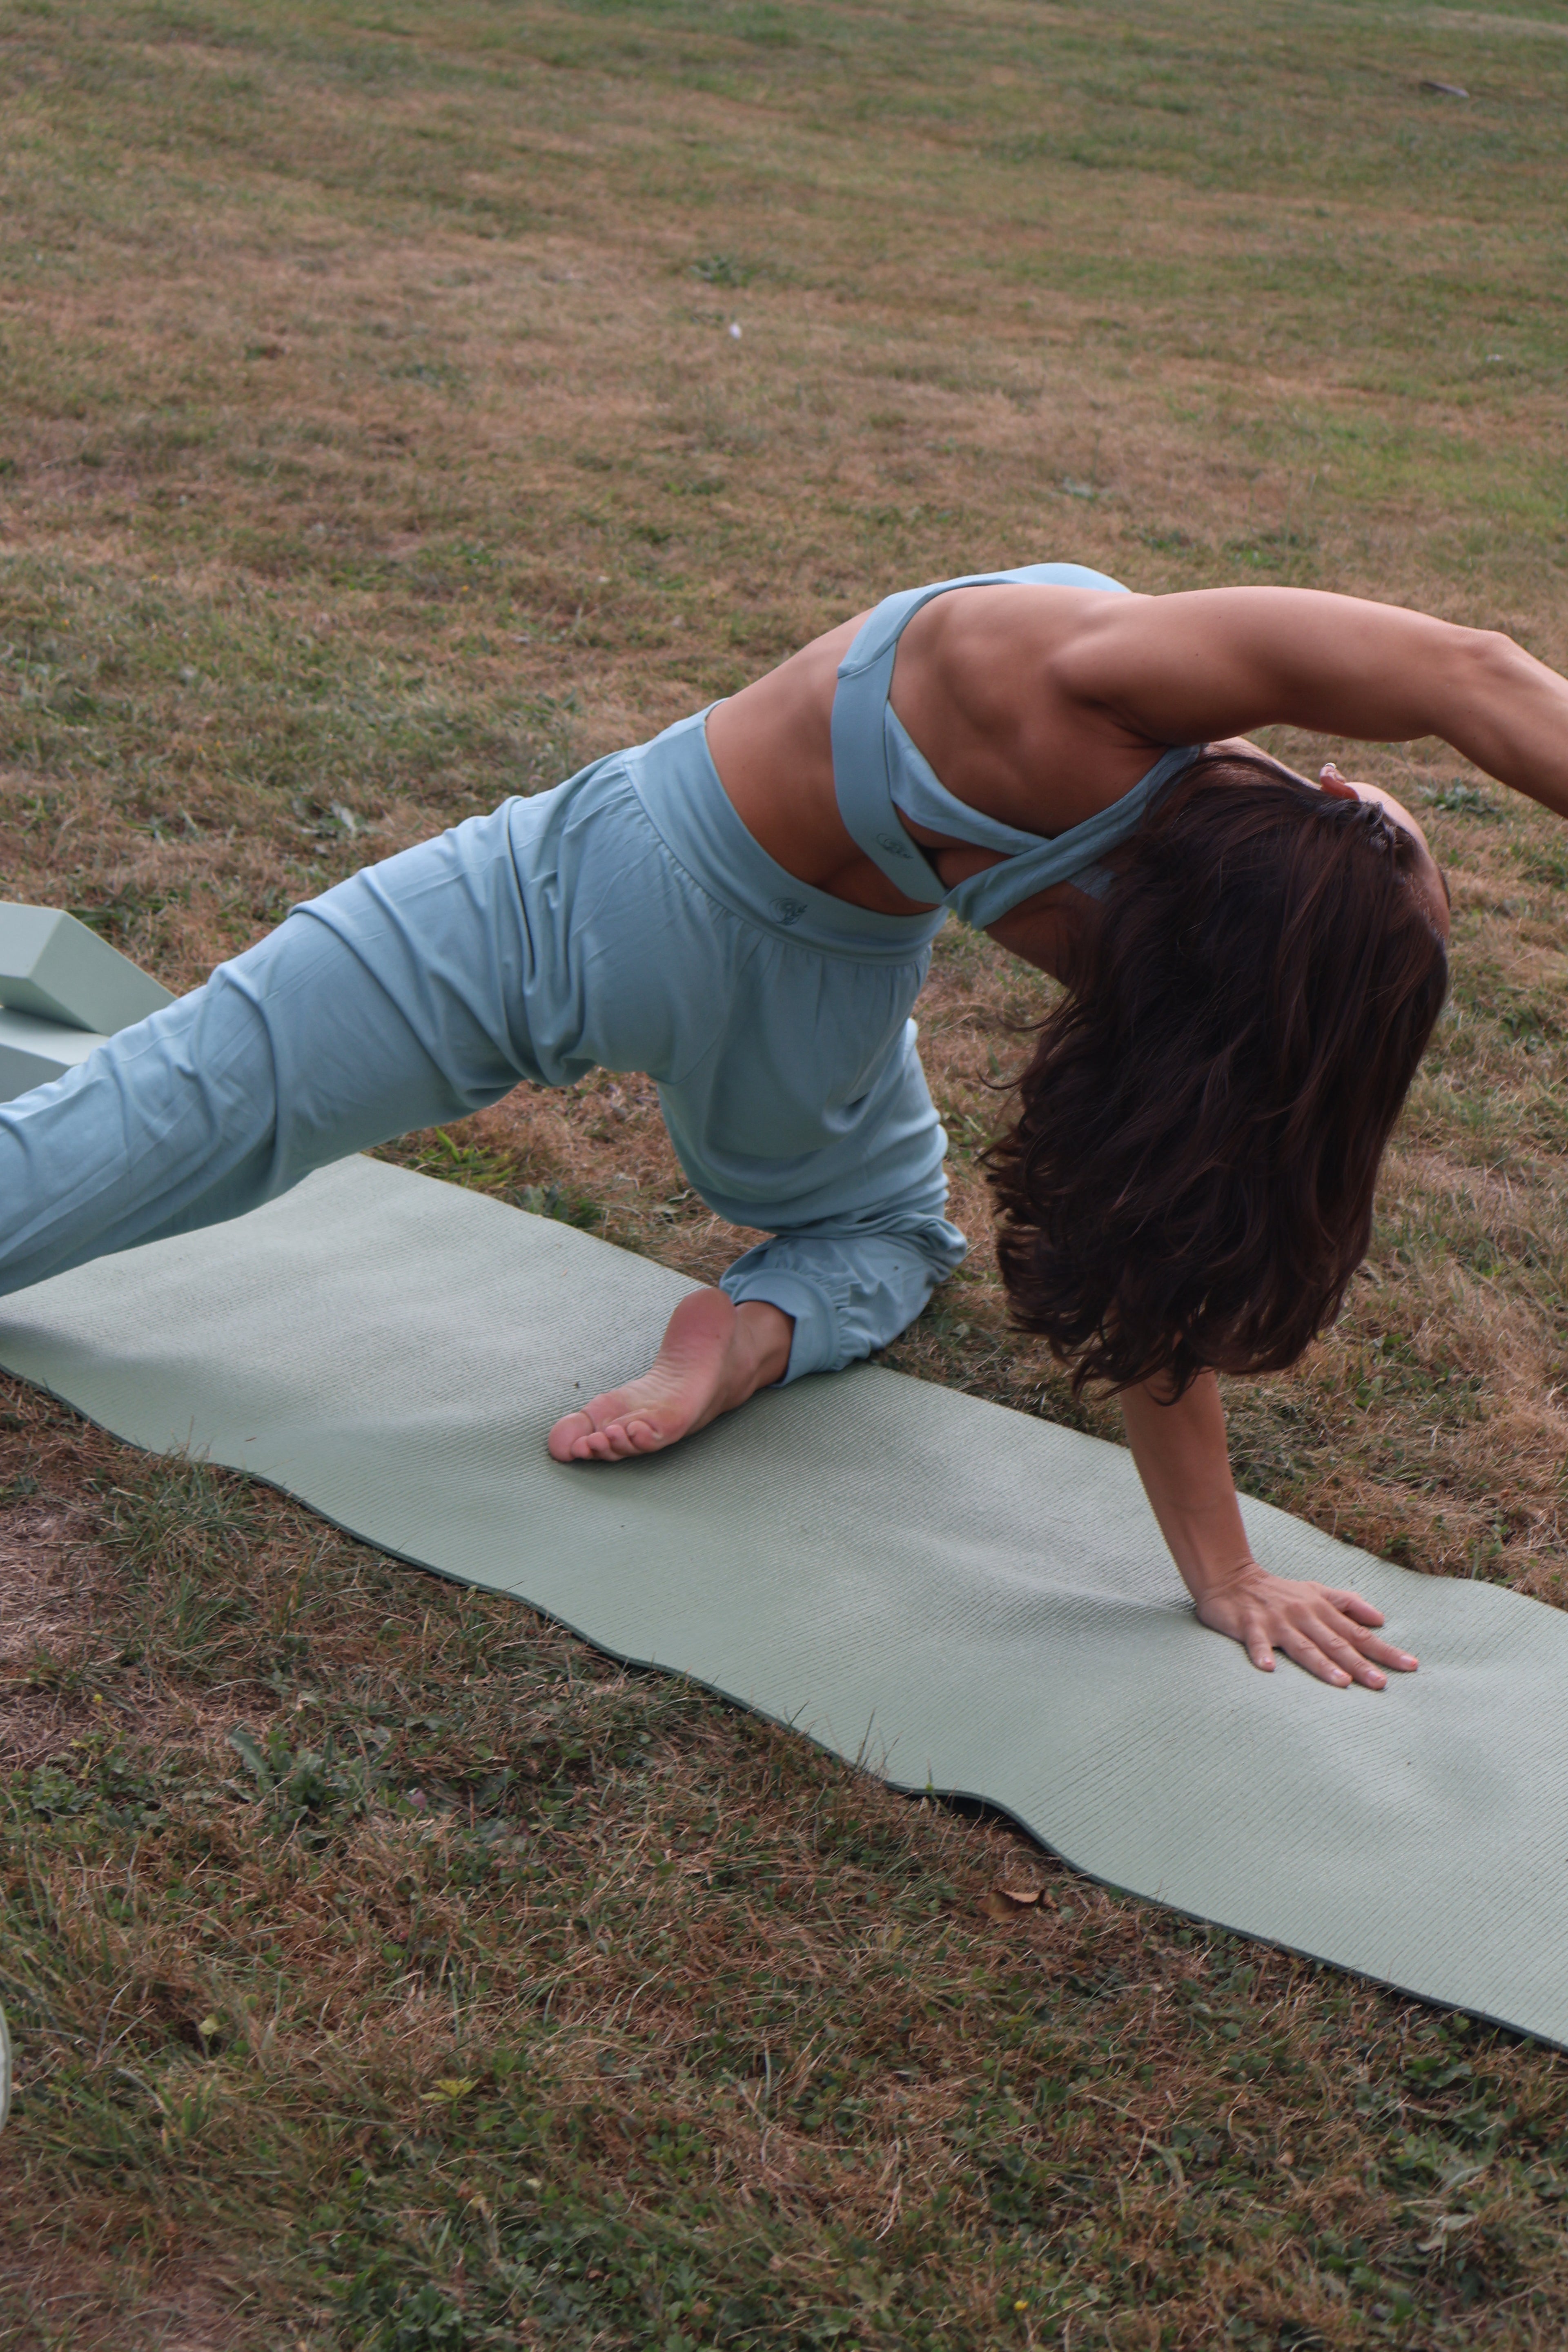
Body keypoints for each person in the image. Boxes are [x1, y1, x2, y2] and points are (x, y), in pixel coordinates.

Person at [2, 564, 1559, 1690]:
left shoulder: (1078, 674)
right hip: (811, 1028)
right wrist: (1224, 1573)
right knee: (887, 1233)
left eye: (1403, 827)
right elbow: (1153, 1255)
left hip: (585, 895)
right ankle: (748, 1333)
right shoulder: (1159, 955)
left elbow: (1472, 676)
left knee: (182, 1107)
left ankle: (741, 1339)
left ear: (1337, 804)